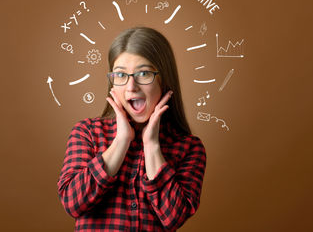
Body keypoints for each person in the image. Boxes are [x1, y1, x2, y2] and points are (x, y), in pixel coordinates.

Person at [57, 27, 207, 231]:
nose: (131, 87)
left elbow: (175, 218)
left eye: (143, 73)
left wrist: (152, 146)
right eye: (120, 74)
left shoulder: (189, 148)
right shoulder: (87, 132)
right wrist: (121, 140)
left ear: (165, 80)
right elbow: (73, 203)